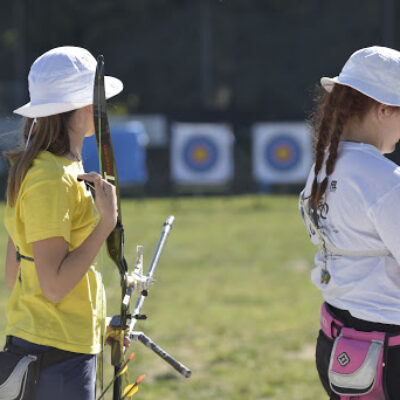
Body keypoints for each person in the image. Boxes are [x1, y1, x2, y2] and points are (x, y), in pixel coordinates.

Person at [2, 46, 123, 400]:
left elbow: (16, 276)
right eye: (96, 103)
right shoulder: (50, 178)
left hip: (53, 347)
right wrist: (106, 223)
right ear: (85, 106)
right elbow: (53, 286)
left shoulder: (47, 169)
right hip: (54, 357)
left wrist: (100, 326)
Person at [300, 46, 400, 400]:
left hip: (336, 341)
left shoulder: (324, 167)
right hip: (387, 354)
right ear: (383, 109)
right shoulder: (386, 180)